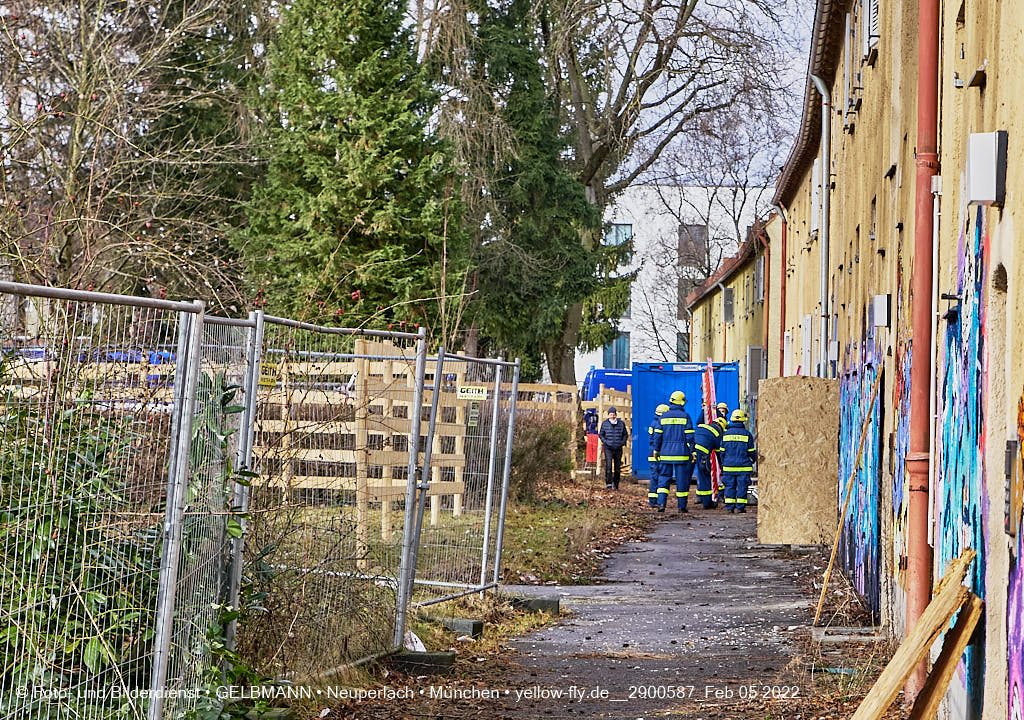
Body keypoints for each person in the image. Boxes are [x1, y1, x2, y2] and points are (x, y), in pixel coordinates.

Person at [652, 390, 695, 513]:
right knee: (682, 480)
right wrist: (692, 452)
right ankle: (681, 507)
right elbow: (690, 437)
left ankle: (661, 504)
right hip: (681, 455)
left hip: (665, 454)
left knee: (663, 478)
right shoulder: (686, 416)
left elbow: (657, 436)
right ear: (681, 402)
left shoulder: (663, 417)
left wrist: (656, 449)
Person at [721, 409, 757, 513]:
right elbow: (751, 452)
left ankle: (729, 507)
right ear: (743, 420)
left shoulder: (726, 434)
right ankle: (740, 507)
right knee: (742, 487)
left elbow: (722, 452)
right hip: (743, 466)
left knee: (729, 486)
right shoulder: (747, 434)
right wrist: (753, 460)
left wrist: (724, 463)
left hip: (729, 466)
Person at [693, 414, 726, 509]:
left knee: (684, 479)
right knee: (705, 477)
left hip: (689, 451)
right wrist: (722, 467)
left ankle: (682, 504)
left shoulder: (702, 426)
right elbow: (719, 454)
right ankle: (707, 503)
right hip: (702, 455)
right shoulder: (717, 435)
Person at [598, 407, 629, 490]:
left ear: (616, 415)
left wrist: (622, 443)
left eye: (613, 414)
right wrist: (605, 442)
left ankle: (616, 484)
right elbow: (601, 434)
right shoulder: (605, 424)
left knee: (617, 468)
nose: (612, 416)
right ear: (608, 415)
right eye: (610, 414)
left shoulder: (621, 423)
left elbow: (625, 435)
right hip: (608, 448)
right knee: (608, 466)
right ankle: (608, 483)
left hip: (618, 448)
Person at [646, 403, 670, 507]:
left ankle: (653, 500)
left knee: (654, 476)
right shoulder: (658, 424)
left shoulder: (653, 422)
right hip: (656, 452)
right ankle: (654, 501)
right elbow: (657, 439)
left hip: (653, 452)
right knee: (657, 476)